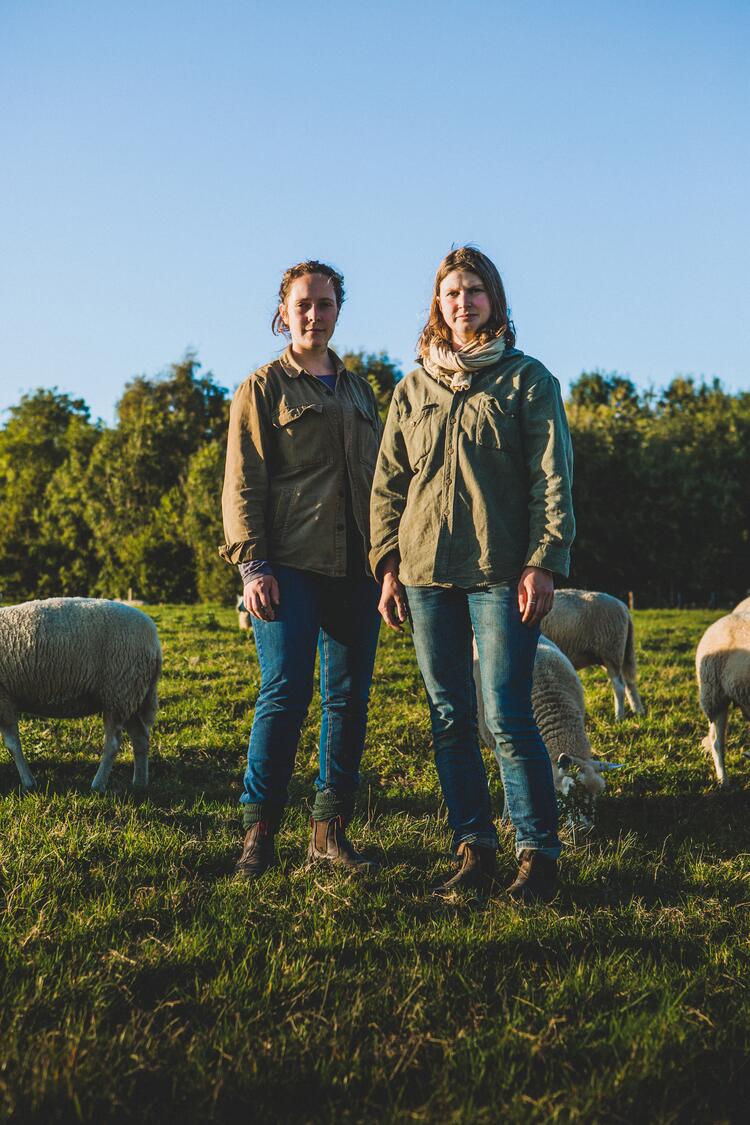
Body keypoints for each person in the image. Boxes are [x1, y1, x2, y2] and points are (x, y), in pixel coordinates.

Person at [369, 246, 575, 902]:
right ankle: (473, 850)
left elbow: (552, 478)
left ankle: (537, 857)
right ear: (439, 303)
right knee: (449, 714)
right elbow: (388, 484)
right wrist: (388, 563)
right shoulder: (413, 389)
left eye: (475, 291)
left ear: (495, 300)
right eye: (452, 292)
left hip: (499, 571)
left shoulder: (527, 380)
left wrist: (543, 559)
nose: (463, 303)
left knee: (507, 711)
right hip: (426, 573)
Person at [220, 260, 383, 879]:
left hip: (357, 569)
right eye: (303, 305)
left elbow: (382, 483)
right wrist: (253, 565)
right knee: (283, 695)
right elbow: (242, 483)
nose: (315, 315)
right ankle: (257, 837)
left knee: (348, 700)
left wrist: (388, 562)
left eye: (326, 304)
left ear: (339, 310)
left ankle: (328, 833)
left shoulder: (361, 392)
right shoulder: (262, 388)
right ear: (284, 313)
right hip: (287, 566)